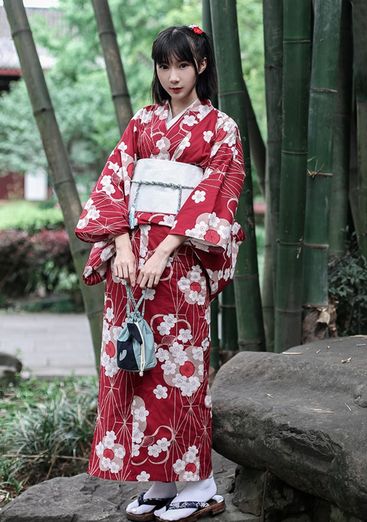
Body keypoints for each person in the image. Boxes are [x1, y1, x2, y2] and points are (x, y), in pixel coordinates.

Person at [75, 23, 246, 522]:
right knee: (136, 364)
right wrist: (123, 245)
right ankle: (160, 479)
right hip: (129, 265)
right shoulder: (142, 122)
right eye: (164, 66)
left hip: (182, 261)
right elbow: (116, 183)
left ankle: (200, 481)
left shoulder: (221, 128)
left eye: (183, 65)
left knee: (180, 367)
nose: (173, 76)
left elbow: (215, 194)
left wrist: (163, 249)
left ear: (202, 66)